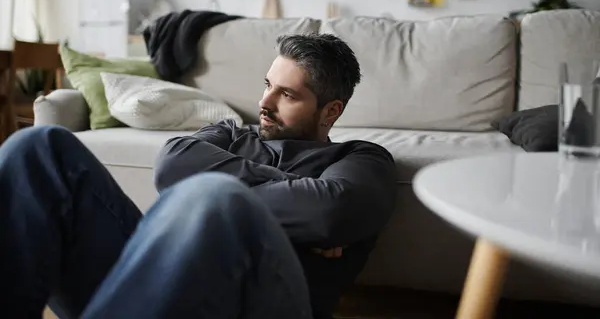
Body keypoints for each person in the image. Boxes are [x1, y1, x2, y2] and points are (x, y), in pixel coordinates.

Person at [0, 33, 398, 319]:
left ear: (330, 111)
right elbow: (172, 164)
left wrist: (229, 199)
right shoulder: (230, 132)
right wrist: (295, 209)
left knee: (214, 197)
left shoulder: (360, 158)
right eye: (267, 86)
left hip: (260, 302)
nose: (264, 102)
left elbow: (331, 211)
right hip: (154, 285)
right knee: (37, 148)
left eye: (287, 95)